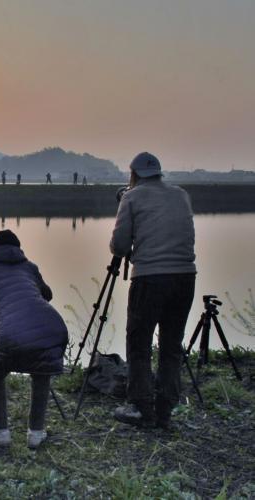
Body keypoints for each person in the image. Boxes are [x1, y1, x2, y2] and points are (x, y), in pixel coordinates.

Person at [110, 152, 196, 429]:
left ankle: (140, 407)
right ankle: (165, 410)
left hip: (150, 277)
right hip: (185, 276)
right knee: (171, 345)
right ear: (159, 173)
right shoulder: (181, 195)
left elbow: (120, 246)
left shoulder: (131, 198)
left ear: (133, 175)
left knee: (139, 342)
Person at [0, 230, 68, 449]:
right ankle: (36, 433)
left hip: (11, 332)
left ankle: (0, 431)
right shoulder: (29, 267)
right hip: (51, 326)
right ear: (18, 249)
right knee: (41, 372)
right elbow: (47, 295)